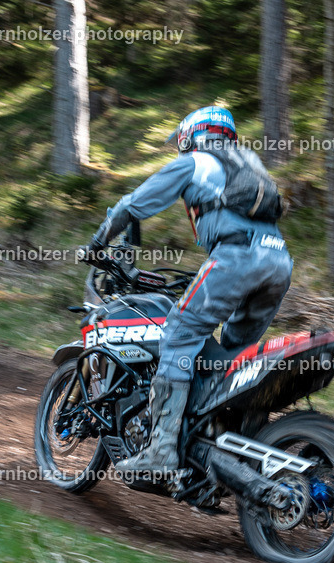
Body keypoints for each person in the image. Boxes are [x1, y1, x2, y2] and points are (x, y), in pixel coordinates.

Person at [87, 105, 293, 474]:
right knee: (232, 355)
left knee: (179, 331)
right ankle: (230, 438)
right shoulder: (251, 163)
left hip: (236, 258)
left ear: (190, 136)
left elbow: (133, 205)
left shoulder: (196, 162)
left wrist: (99, 242)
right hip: (278, 262)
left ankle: (161, 450)